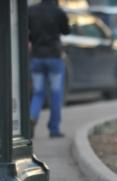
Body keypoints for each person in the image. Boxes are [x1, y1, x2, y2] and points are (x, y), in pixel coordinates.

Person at [28, 0, 70, 138]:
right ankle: (54, 129)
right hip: (54, 56)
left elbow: (26, 33)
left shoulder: (31, 11)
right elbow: (66, 30)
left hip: (36, 56)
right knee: (56, 94)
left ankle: (32, 116)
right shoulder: (58, 11)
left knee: (38, 92)